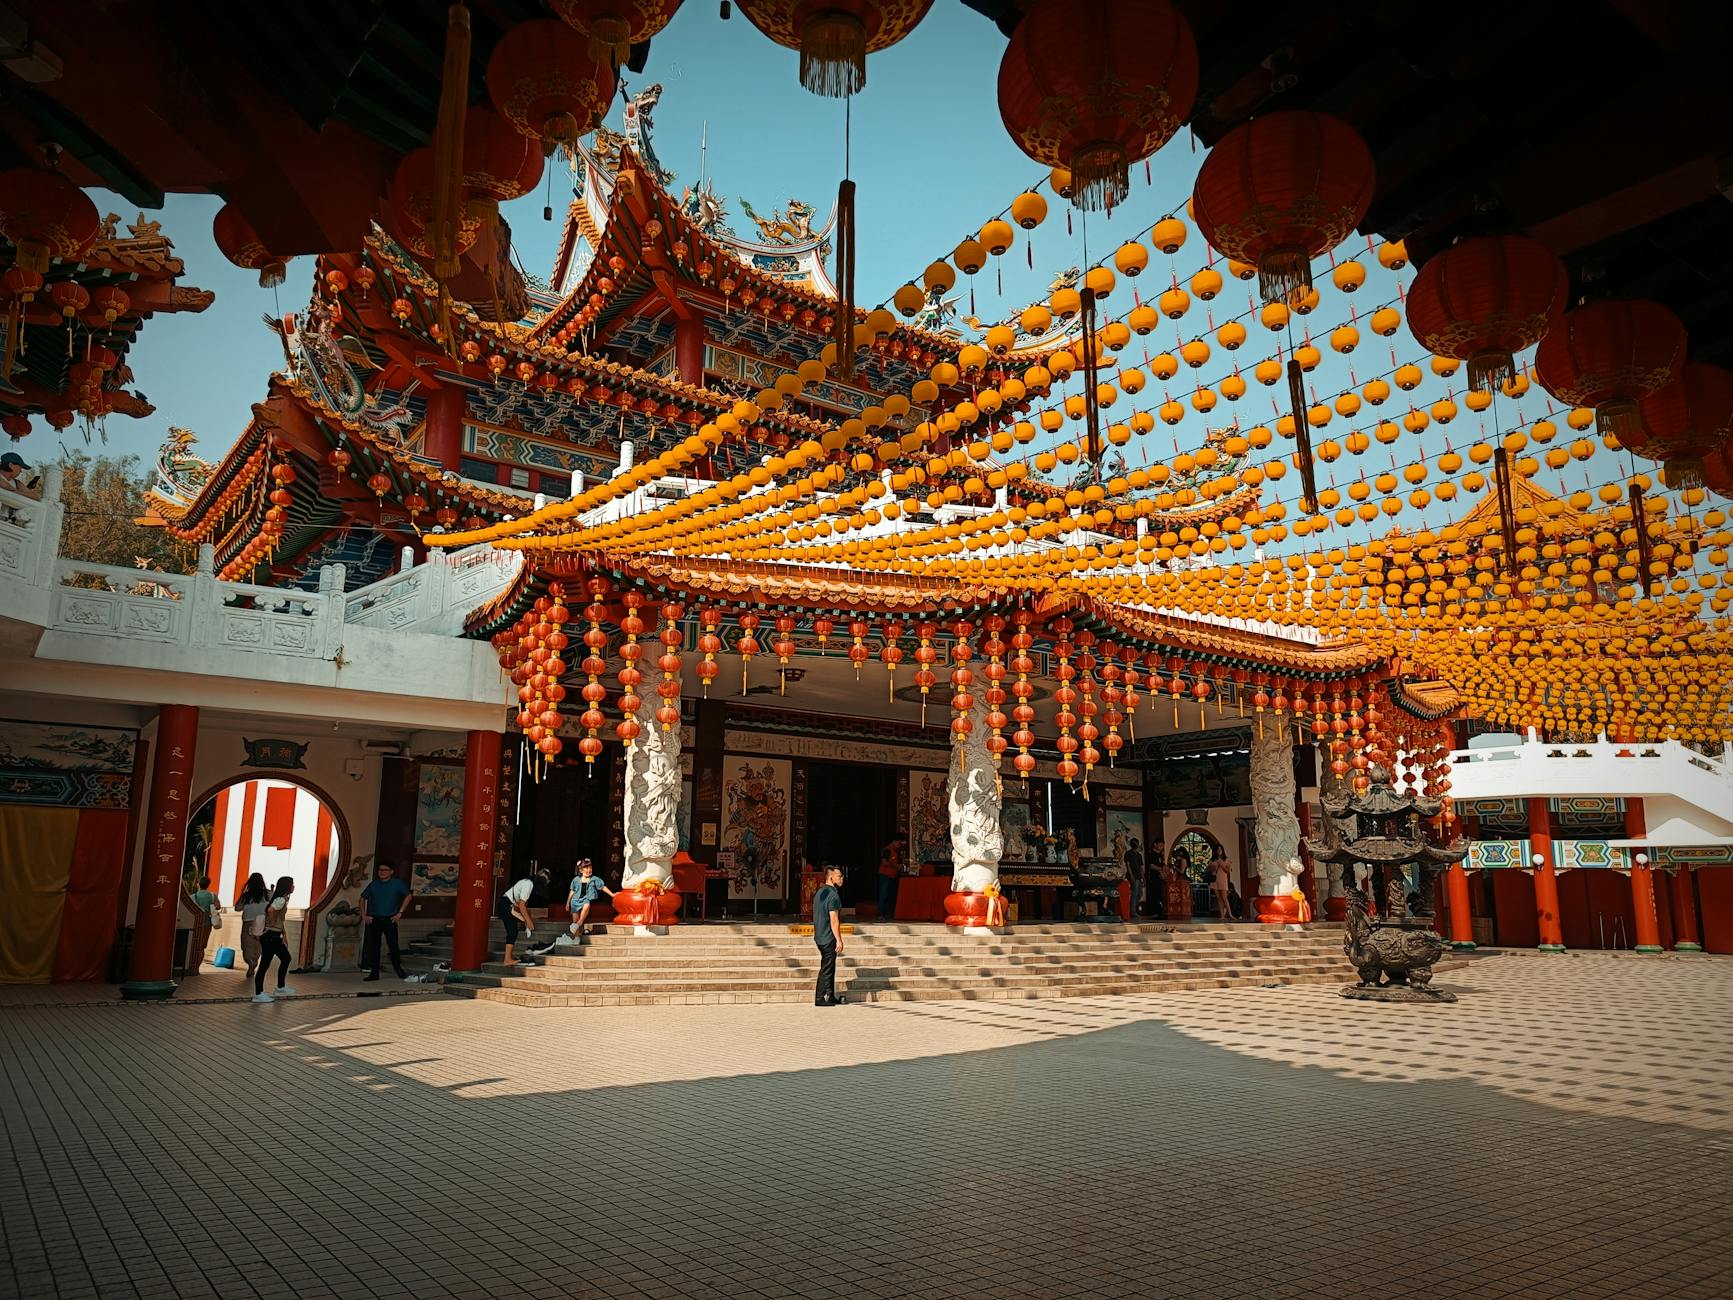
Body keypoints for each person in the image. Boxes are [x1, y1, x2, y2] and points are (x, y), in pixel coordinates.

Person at [358, 859, 411, 981]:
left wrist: (400, 913)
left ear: (391, 872)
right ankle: (374, 972)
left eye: (384, 870)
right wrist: (364, 915)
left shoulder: (397, 883)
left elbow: (408, 896)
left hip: (390, 918)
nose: (381, 872)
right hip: (375, 919)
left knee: (393, 945)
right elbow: (362, 898)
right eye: (380, 870)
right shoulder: (374, 884)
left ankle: (398, 968)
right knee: (374, 946)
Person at [547, 858, 613, 949]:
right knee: (575, 920)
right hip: (575, 901)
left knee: (587, 905)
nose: (588, 870)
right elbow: (572, 891)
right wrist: (567, 903)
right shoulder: (576, 880)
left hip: (586, 898)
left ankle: (579, 923)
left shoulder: (594, 879)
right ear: (581, 870)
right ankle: (577, 938)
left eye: (590, 868)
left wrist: (612, 894)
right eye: (586, 868)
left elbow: (602, 887)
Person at [251, 876, 297, 1002]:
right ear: (287, 886)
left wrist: (283, 934)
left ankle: (280, 987)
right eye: (292, 884)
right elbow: (271, 911)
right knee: (266, 964)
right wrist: (271, 923)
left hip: (274, 936)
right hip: (271, 936)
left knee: (285, 958)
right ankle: (259, 993)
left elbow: (279, 919)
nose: (294, 887)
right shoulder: (281, 900)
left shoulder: (281, 899)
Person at [498, 869, 548, 967]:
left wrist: (526, 920)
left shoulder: (527, 882)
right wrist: (528, 921)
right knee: (512, 932)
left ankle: (508, 958)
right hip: (507, 905)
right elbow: (521, 905)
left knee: (512, 932)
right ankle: (507, 959)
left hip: (506, 905)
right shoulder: (528, 884)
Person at [813, 865, 845, 1006]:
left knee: (830, 966)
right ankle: (820, 998)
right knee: (827, 968)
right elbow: (834, 919)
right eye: (839, 876)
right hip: (827, 937)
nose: (842, 878)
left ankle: (830, 995)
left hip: (819, 936)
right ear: (831, 878)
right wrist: (839, 939)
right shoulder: (833, 895)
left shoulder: (820, 892)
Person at [236, 873, 268, 979]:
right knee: (258, 944)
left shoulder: (246, 895)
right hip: (261, 921)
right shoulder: (267, 894)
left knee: (246, 945)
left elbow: (237, 908)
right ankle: (254, 961)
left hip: (247, 922)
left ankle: (250, 962)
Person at [190, 876, 223, 967]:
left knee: (193, 945)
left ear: (198, 884)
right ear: (208, 885)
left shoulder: (193, 896)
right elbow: (218, 907)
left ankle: (192, 965)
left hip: (194, 924)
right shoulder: (213, 896)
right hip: (207, 924)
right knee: (202, 947)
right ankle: (197, 966)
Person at [876, 839, 903, 923]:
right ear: (894, 841)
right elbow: (884, 862)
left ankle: (889, 913)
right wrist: (895, 865)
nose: (900, 845)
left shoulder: (896, 851)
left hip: (892, 876)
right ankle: (881, 914)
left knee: (892, 895)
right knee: (884, 894)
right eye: (899, 843)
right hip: (885, 875)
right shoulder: (887, 850)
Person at [1210, 849, 1235, 922]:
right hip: (1215, 880)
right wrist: (1215, 866)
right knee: (1219, 898)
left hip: (1223, 880)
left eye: (1220, 849)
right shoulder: (1212, 860)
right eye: (1217, 849)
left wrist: (1222, 864)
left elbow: (1228, 871)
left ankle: (1230, 914)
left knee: (1224, 898)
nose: (1219, 851)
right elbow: (1210, 870)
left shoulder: (1226, 860)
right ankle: (1222, 915)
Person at [1124, 837, 1145, 918]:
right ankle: (1133, 911)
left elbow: (1141, 867)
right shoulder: (1128, 854)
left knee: (1140, 893)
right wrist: (1131, 875)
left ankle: (1132, 908)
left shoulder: (1139, 855)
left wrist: (1143, 878)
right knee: (1134, 893)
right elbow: (1128, 865)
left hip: (1139, 876)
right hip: (1133, 876)